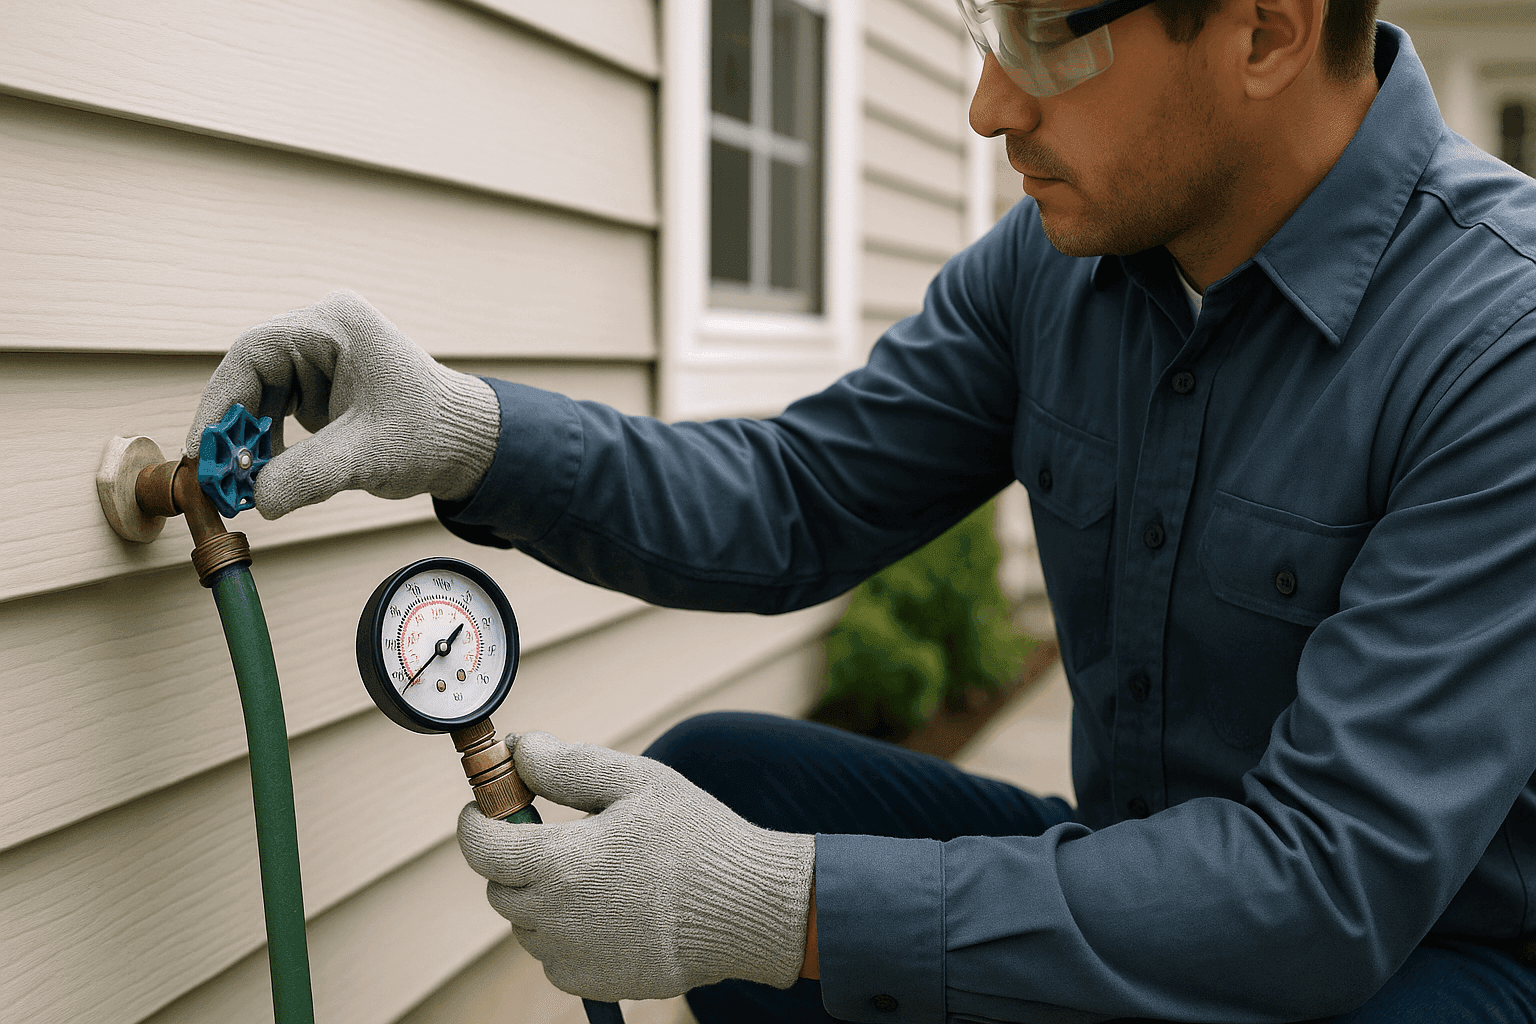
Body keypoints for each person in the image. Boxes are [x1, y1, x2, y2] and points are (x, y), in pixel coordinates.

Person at [185, 0, 1536, 1019]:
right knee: (730, 780)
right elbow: (796, 497)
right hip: (1147, 881)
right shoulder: (1054, 272)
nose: (990, 105)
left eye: (1047, 39)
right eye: (983, 23)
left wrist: (784, 908)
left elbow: (1321, 882)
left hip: (1433, 962)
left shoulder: (1498, 341)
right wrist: (467, 432)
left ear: (1265, 30)